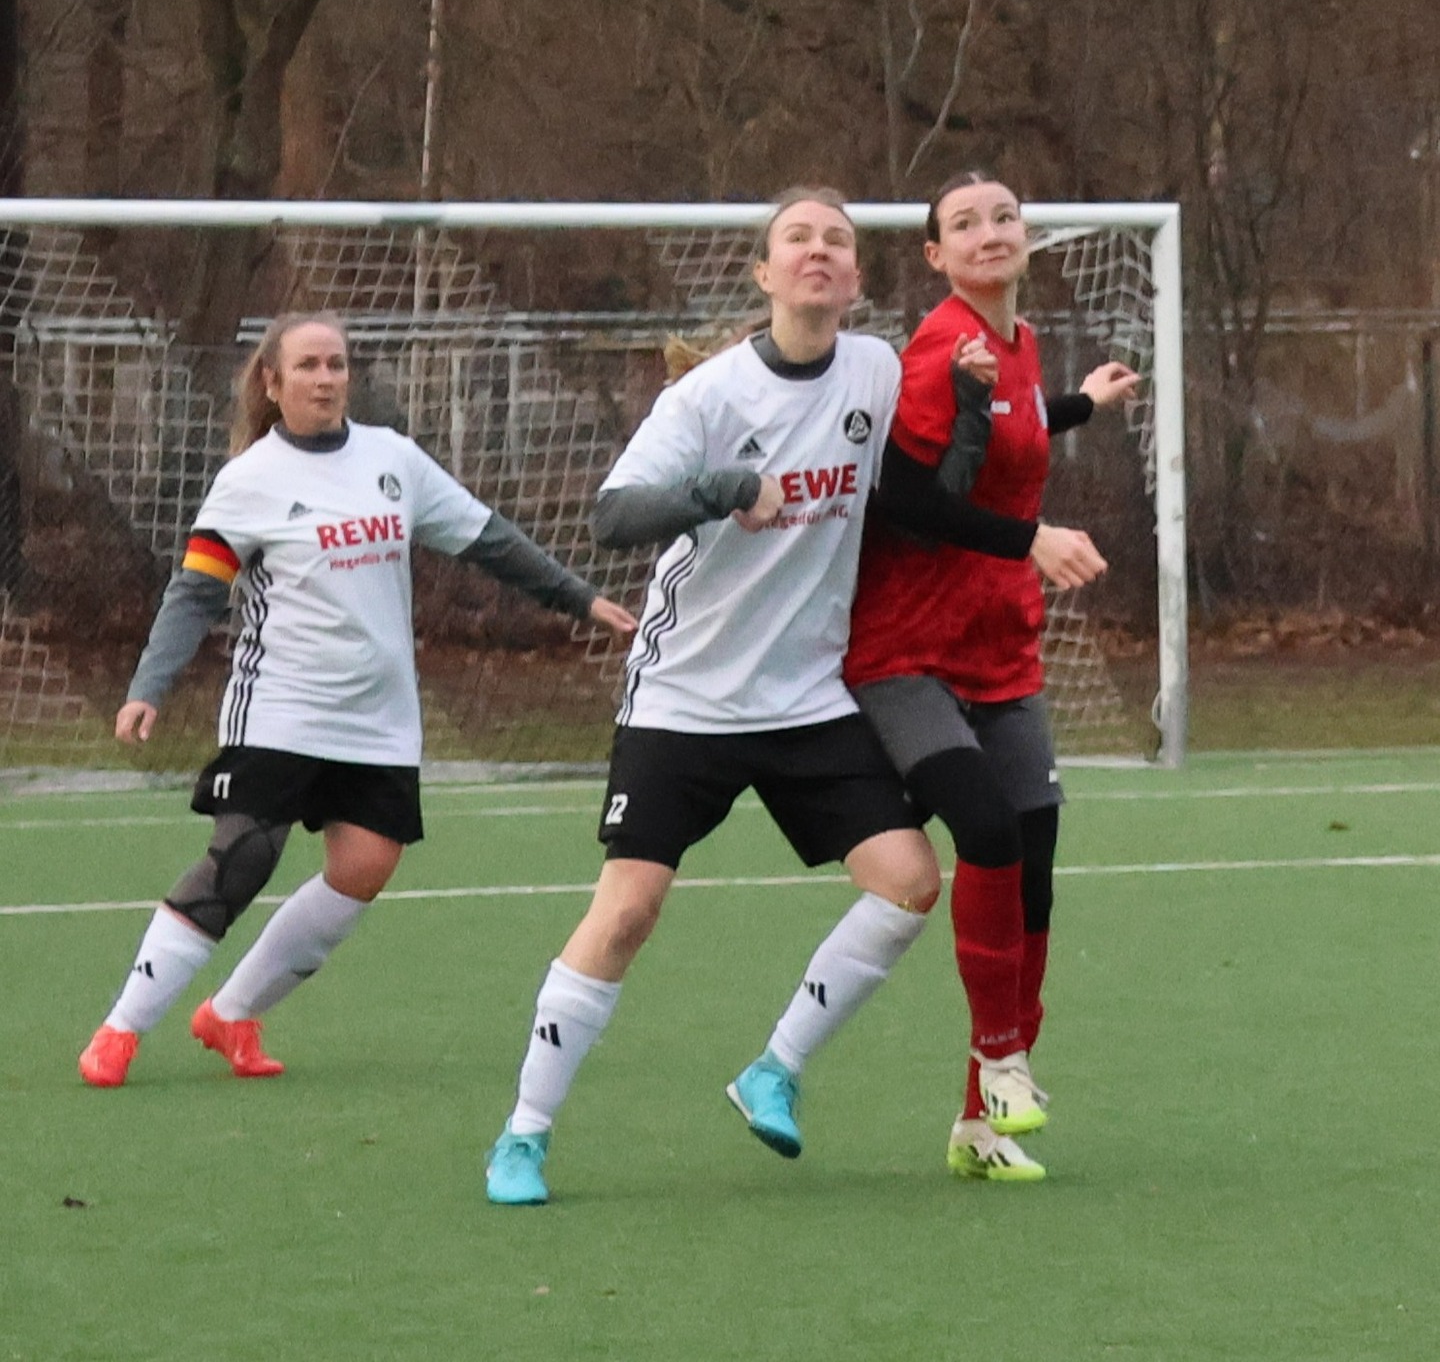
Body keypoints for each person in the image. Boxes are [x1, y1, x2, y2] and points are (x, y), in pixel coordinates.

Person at [484, 187, 942, 1206]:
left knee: (911, 881)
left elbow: (943, 456)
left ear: (856, 278)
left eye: (837, 241)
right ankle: (524, 1133)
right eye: (798, 239)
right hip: (683, 700)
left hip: (809, 698)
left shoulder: (876, 367)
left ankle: (773, 1069)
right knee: (627, 913)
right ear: (765, 274)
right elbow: (610, 517)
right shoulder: (708, 398)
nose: (818, 252)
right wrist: (722, 489)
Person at [78, 311, 637, 1088]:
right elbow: (196, 591)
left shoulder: (392, 459)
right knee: (244, 856)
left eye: (337, 364)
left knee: (365, 866)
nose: (326, 378)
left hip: (378, 717)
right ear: (273, 384)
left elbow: (488, 538)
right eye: (308, 365)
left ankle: (232, 1014)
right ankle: (120, 1030)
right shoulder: (250, 480)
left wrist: (580, 599)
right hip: (281, 705)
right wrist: (149, 687)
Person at [844, 170, 1139, 1182]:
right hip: (909, 650)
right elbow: (910, 501)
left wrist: (1079, 408)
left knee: (1036, 872)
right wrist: (1032, 539)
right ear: (934, 255)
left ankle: (981, 1119)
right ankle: (1004, 1058)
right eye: (963, 224)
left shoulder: (1012, 342)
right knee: (986, 831)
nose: (988, 232)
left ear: (1027, 236)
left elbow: (1011, 425)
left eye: (1003, 217)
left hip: (1000, 647)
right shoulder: (938, 350)